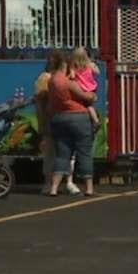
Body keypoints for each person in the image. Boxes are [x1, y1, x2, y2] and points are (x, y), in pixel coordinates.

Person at [45, 53, 98, 197]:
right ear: (65, 65)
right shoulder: (67, 82)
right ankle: (89, 188)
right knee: (84, 152)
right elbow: (85, 96)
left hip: (58, 118)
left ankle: (54, 188)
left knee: (62, 155)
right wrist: (92, 95)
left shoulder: (51, 81)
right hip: (78, 117)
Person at [32, 50, 76, 194]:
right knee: (54, 152)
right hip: (53, 119)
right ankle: (53, 182)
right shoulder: (46, 78)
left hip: (59, 118)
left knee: (62, 152)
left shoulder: (61, 79)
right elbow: (40, 102)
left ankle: (63, 182)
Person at [70, 46, 101, 131]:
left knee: (88, 106)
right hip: (92, 87)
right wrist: (93, 66)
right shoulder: (89, 65)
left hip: (83, 89)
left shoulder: (74, 67)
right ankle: (93, 120)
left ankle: (96, 121)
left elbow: (72, 76)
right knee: (89, 105)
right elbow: (97, 72)